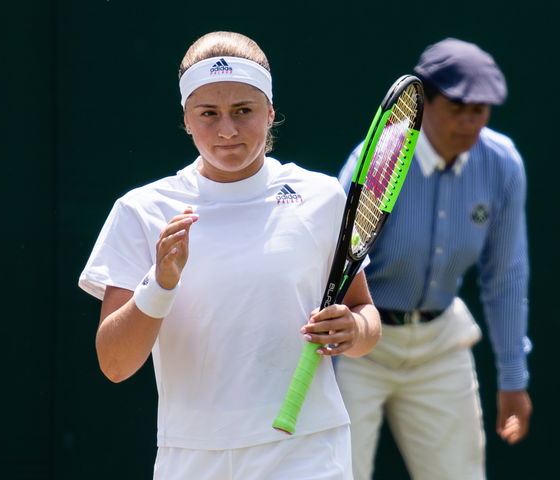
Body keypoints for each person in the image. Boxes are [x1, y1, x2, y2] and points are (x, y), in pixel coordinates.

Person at [79, 31, 381, 480]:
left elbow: (364, 316)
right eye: (208, 114)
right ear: (185, 119)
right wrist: (159, 284)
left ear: (271, 112)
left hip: (307, 451)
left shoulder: (321, 197)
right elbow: (116, 364)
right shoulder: (141, 210)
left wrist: (353, 329)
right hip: (193, 456)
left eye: (244, 111)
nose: (227, 130)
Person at [336, 38, 532, 480]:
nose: (468, 123)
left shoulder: (502, 164)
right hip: (361, 349)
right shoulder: (376, 160)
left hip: (441, 347)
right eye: (457, 108)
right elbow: (337, 267)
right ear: (423, 101)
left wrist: (512, 376)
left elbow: (506, 276)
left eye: (479, 111)